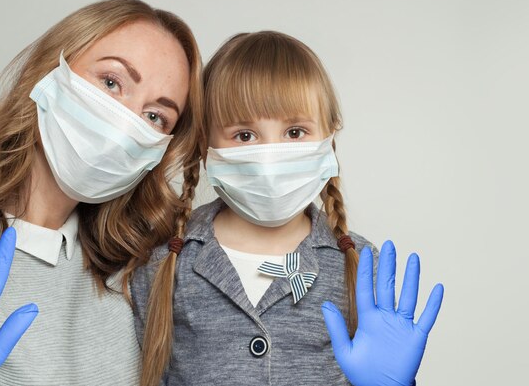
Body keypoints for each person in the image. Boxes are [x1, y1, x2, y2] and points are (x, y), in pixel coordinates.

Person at [0, 0, 203, 386]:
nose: (126, 122)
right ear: (48, 75)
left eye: (155, 116)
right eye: (111, 82)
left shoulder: (138, 281)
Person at [131, 31, 444, 386]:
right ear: (205, 146)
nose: (269, 157)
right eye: (244, 135)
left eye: (295, 132)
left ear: (330, 138)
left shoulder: (359, 267)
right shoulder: (163, 265)